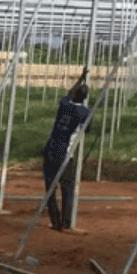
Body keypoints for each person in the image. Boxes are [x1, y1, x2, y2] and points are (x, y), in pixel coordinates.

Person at [41, 81, 92, 231]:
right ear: (85, 98)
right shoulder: (85, 112)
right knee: (68, 187)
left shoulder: (64, 104)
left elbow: (68, 93)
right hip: (64, 154)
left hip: (49, 149)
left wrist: (81, 78)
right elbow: (87, 129)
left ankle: (55, 221)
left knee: (50, 188)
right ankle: (66, 223)